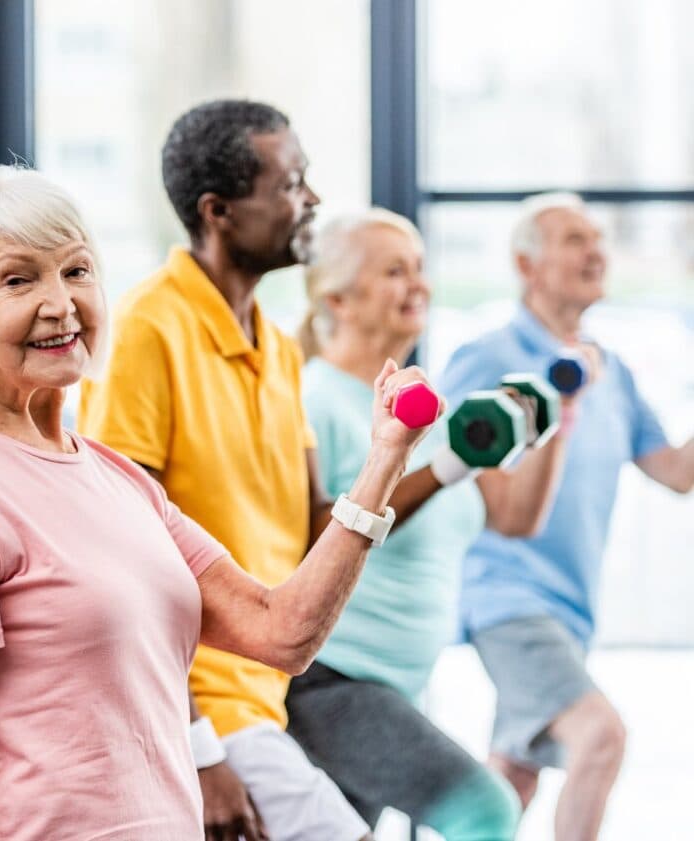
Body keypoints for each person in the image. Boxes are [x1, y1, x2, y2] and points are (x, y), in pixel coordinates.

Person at [0, 164, 436, 841]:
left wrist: (383, 461)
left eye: (76, 272)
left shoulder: (113, 476)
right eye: (19, 279)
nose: (61, 303)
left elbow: (281, 631)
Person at [79, 99, 380, 841]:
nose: (309, 200)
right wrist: (198, 746)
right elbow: (120, 558)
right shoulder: (146, 331)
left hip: (266, 698)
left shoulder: (278, 350)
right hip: (197, 712)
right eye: (289, 183)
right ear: (218, 211)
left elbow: (316, 525)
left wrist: (402, 455)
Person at [283, 209, 575, 839]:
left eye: (420, 267)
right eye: (395, 271)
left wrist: (554, 424)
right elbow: (313, 533)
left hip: (398, 682)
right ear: (337, 296)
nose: (418, 283)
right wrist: (446, 466)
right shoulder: (315, 397)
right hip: (335, 681)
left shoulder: (428, 406)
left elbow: (514, 516)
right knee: (486, 808)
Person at [439, 192, 694, 841]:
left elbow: (676, 472)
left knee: (511, 780)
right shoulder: (488, 355)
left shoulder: (610, 369)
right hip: (506, 597)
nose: (596, 252)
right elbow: (453, 482)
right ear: (528, 265)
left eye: (598, 239)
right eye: (575, 240)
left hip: (570, 607)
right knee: (601, 736)